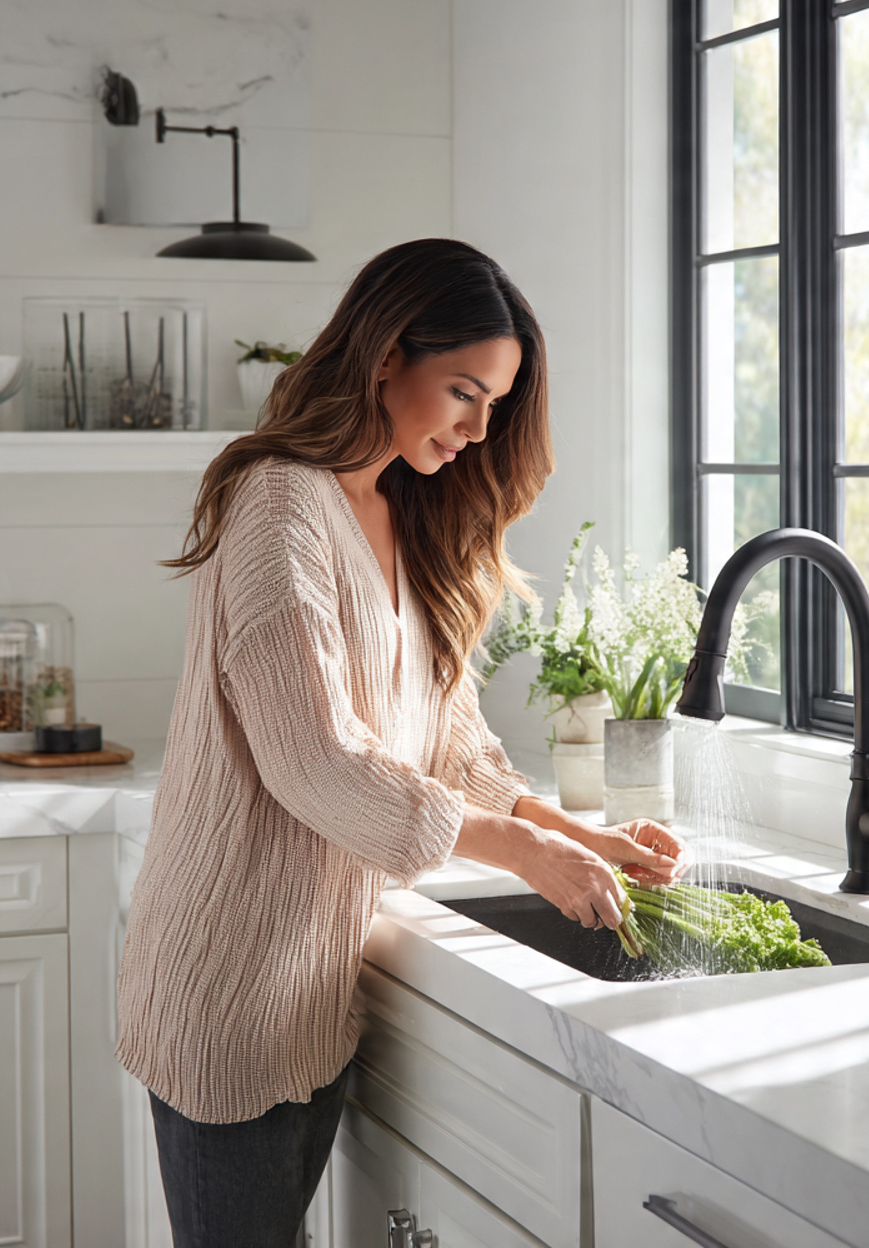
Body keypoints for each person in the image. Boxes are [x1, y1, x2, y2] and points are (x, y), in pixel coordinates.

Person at [116, 238, 684, 1248]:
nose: (477, 427)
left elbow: (449, 737)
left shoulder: (399, 509)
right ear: (386, 357)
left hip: (316, 989)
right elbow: (318, 761)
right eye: (463, 390)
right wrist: (523, 851)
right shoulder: (279, 506)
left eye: (495, 404)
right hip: (230, 987)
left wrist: (575, 836)